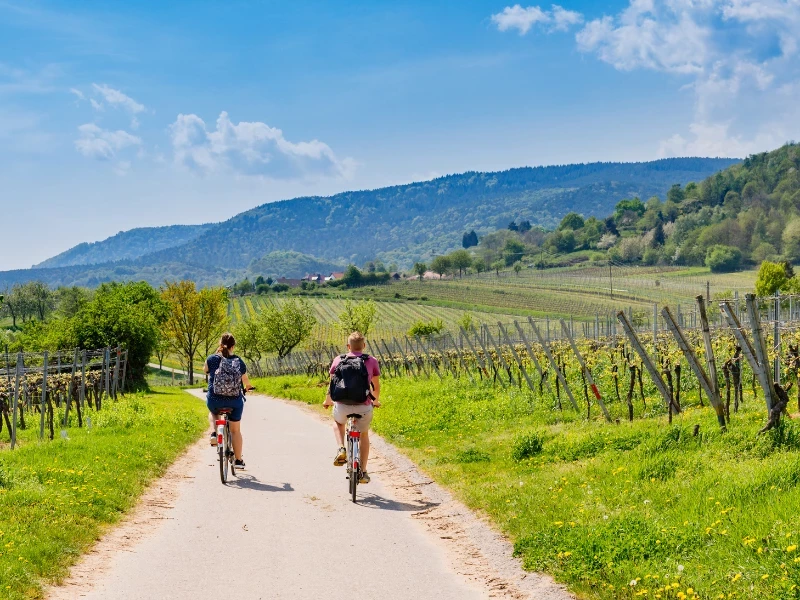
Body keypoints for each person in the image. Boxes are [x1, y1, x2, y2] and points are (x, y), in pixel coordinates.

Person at [323, 331, 381, 483]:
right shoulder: (372, 361)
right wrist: (375, 401)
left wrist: (327, 401)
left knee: (338, 422)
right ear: (364, 346)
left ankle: (341, 448)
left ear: (348, 346)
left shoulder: (338, 360)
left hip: (342, 406)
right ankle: (363, 471)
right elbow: (376, 386)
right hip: (363, 406)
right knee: (364, 434)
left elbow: (332, 385)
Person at [204, 332, 252, 470]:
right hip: (234, 402)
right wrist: (248, 388)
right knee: (235, 430)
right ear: (233, 346)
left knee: (213, 412)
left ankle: (214, 433)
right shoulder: (239, 362)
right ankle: (238, 460)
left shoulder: (212, 359)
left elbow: (205, 370)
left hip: (215, 399)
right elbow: (246, 382)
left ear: (220, 344)